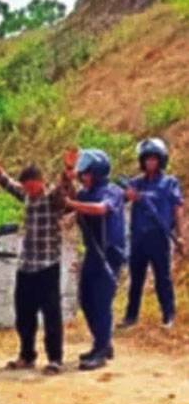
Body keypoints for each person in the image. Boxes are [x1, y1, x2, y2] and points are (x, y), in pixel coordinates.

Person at [0, 148, 77, 375]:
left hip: (47, 265)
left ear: (41, 182)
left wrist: (69, 169)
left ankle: (55, 359)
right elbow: (5, 182)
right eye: (26, 188)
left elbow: (65, 191)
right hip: (26, 265)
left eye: (32, 187)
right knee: (24, 314)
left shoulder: (52, 197)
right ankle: (27, 355)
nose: (28, 191)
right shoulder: (26, 197)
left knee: (52, 314)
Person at [65, 149, 126, 371]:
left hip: (110, 253)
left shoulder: (113, 192)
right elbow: (68, 199)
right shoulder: (84, 194)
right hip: (93, 252)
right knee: (86, 300)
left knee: (102, 301)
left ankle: (100, 350)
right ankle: (103, 342)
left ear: (98, 173)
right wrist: (68, 173)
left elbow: (100, 210)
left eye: (87, 173)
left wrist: (73, 205)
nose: (84, 177)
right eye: (82, 174)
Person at [120, 138, 184, 330]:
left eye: (154, 159)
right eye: (147, 159)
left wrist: (180, 235)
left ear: (161, 160)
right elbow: (119, 200)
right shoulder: (135, 183)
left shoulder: (169, 183)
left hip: (159, 237)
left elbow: (177, 208)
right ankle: (131, 317)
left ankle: (168, 315)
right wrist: (127, 196)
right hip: (139, 237)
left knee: (162, 278)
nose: (150, 163)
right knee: (136, 278)